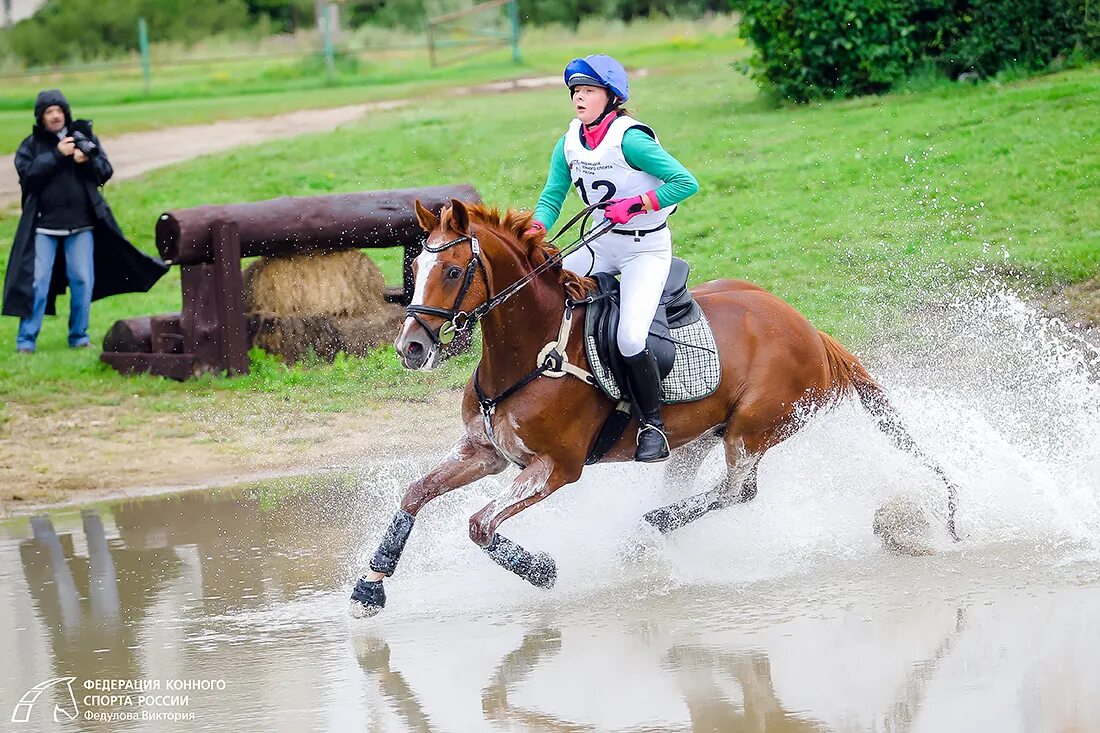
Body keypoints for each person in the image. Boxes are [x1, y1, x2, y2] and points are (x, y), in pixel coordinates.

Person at [529, 55, 699, 463]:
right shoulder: (569, 142)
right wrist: (533, 232)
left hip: (645, 249)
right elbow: (553, 197)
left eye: (587, 91)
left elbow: (685, 182)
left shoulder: (630, 139)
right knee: (539, 293)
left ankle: (652, 425)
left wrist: (639, 203)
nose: (579, 99)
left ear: (610, 97)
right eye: (575, 92)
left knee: (630, 338)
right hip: (599, 244)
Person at [2, 89, 167, 353]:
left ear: (65, 113)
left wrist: (86, 160)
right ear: (40, 117)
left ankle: (79, 337)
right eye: (48, 112)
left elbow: (105, 172)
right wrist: (57, 154)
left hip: (82, 227)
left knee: (82, 280)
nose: (55, 116)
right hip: (44, 227)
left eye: (58, 110)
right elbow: (28, 177)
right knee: (38, 283)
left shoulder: (84, 139)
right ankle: (26, 340)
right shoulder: (30, 146)